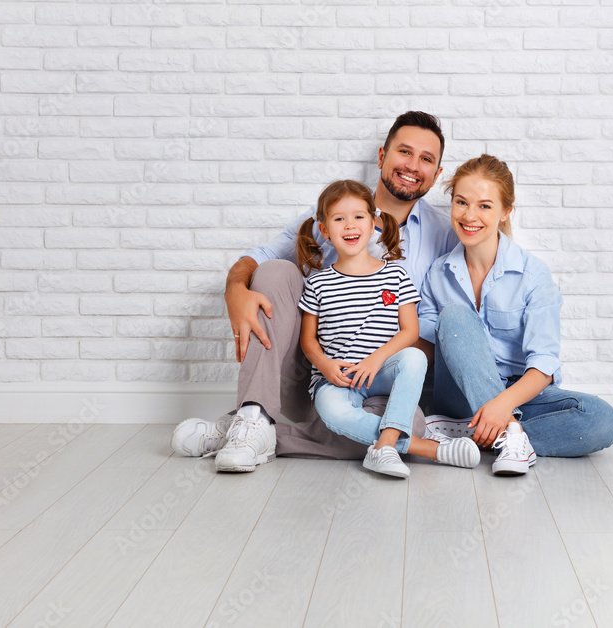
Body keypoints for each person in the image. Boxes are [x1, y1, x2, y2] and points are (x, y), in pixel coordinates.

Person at [171, 112, 459, 470]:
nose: (413, 166)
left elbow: (436, 330)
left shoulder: (446, 234)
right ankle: (255, 412)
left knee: (405, 425)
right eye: (404, 152)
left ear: (437, 172)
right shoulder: (339, 210)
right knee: (276, 271)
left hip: (381, 382)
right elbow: (262, 256)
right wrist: (234, 290)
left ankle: (249, 434)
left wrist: (374, 359)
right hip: (316, 377)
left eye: (426, 159)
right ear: (382, 156)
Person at [418, 155, 613, 476]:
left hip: (520, 392)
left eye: (485, 206)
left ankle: (480, 431)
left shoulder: (533, 274)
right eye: (461, 202)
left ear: (505, 212)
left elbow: (543, 363)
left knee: (601, 420)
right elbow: (427, 348)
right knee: (455, 316)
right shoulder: (437, 273)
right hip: (458, 395)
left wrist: (501, 406)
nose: (470, 215)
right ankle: (508, 436)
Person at [295, 180, 479, 477]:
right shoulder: (317, 283)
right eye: (339, 218)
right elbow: (308, 341)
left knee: (415, 357)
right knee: (333, 411)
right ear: (325, 230)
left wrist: (376, 359)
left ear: (373, 222)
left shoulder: (395, 274)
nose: (349, 225)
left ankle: (385, 447)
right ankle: (421, 447)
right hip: (338, 378)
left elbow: (410, 331)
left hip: (380, 370)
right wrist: (325, 366)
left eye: (358, 217)